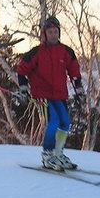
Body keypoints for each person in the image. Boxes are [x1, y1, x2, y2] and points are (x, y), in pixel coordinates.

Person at [16, 17, 84, 171]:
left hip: (59, 94)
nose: (53, 35)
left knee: (65, 122)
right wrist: (23, 88)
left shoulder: (66, 51)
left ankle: (58, 153)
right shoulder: (37, 52)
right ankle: (47, 155)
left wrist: (79, 91)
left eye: (56, 32)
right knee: (53, 121)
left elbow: (74, 71)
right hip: (42, 95)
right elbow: (22, 69)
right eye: (50, 32)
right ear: (44, 34)